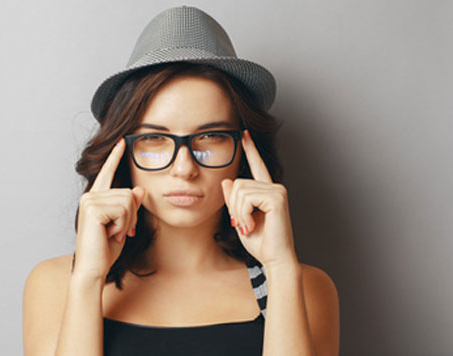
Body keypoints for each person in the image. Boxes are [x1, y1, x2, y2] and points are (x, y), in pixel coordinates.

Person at [22, 5, 340, 356]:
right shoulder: (56, 285)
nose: (185, 168)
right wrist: (88, 278)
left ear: (245, 151)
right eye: (155, 139)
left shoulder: (305, 286)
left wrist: (279, 268)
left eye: (210, 137)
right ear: (124, 152)